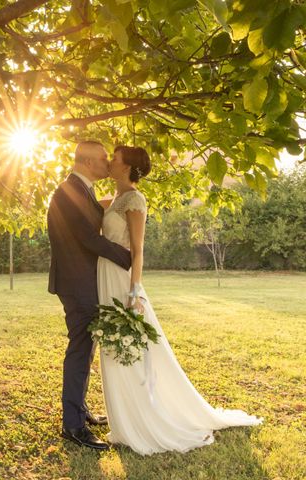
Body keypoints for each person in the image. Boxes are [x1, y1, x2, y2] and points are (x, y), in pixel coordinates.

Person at [96, 145, 263, 455]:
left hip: (122, 280)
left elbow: (138, 249)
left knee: (133, 347)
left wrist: (135, 293)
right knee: (113, 347)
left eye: (115, 159)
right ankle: (122, 418)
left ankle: (145, 419)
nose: (109, 161)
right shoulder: (114, 198)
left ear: (128, 166)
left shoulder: (134, 199)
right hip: (103, 277)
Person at [47, 140, 132, 450]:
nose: (106, 163)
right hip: (77, 283)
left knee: (86, 346)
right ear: (86, 161)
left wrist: (127, 200)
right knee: (80, 349)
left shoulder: (81, 189)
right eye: (102, 159)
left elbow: (95, 215)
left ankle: (79, 411)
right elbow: (85, 237)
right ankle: (72, 426)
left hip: (82, 281)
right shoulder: (67, 191)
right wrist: (125, 256)